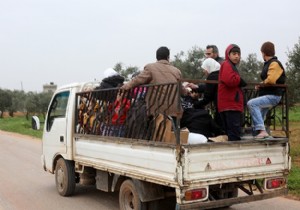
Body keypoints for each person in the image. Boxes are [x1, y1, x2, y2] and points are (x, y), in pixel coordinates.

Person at [121, 46, 183, 118]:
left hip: (157, 110)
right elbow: (181, 90)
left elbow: (137, 80)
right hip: (175, 111)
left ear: (156, 57)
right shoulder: (177, 71)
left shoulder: (150, 67)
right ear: (168, 57)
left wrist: (123, 88)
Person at [247, 42, 286, 139]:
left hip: (273, 95)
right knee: (259, 112)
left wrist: (261, 84)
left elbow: (271, 79)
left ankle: (262, 131)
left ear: (263, 53)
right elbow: (269, 79)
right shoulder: (270, 63)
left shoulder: (274, 63)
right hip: (270, 94)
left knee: (252, 103)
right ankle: (258, 133)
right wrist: (262, 84)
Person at [218, 44, 247, 141]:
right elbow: (230, 81)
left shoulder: (230, 66)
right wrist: (240, 79)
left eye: (238, 54)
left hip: (230, 104)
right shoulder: (226, 64)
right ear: (228, 54)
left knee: (231, 133)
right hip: (230, 104)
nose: (237, 56)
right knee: (234, 134)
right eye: (234, 54)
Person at [191, 58, 222, 127]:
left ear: (209, 67)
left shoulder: (212, 76)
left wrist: (195, 104)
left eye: (204, 69)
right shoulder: (219, 74)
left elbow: (208, 96)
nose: (204, 71)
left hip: (221, 105)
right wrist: (197, 87)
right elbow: (209, 87)